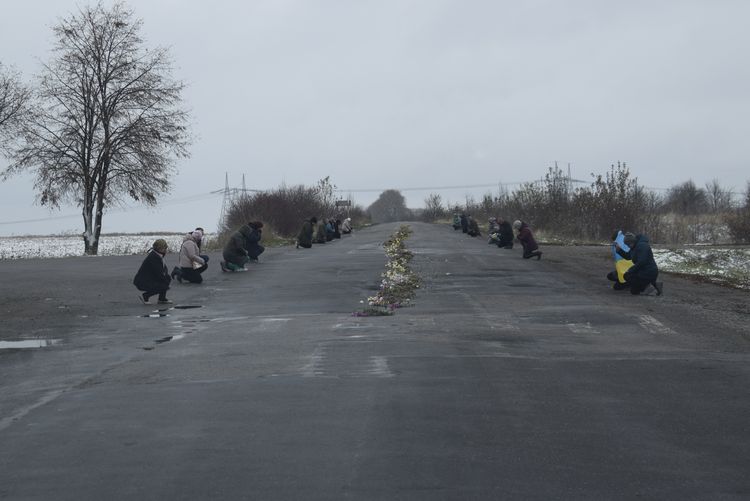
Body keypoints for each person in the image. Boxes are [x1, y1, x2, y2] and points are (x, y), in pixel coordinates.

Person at [133, 239, 172, 304]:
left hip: (149, 279)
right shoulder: (153, 257)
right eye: (163, 248)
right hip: (143, 282)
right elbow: (158, 272)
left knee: (167, 278)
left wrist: (166, 279)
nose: (165, 249)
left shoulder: (157, 255)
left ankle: (162, 299)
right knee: (163, 284)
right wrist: (166, 285)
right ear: (158, 248)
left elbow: (163, 270)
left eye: (165, 248)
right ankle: (145, 296)